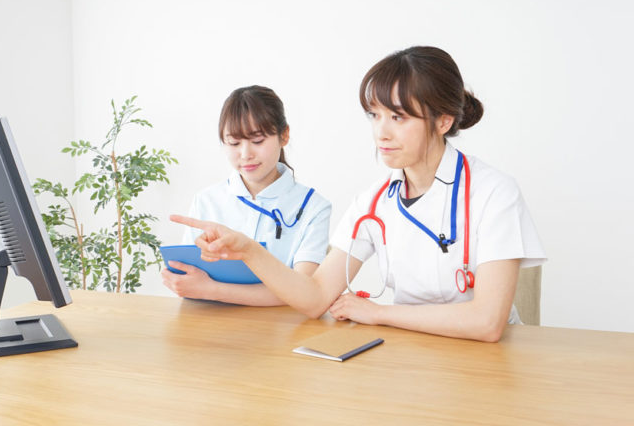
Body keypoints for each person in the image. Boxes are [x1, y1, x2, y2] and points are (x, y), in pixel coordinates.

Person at [172, 47, 546, 342]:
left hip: (489, 363)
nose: (381, 133)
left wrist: (380, 313)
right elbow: (315, 297)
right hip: (411, 352)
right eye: (374, 115)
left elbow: (487, 322)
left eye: (397, 118)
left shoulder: (494, 192)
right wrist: (249, 251)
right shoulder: (374, 201)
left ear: (443, 121)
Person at [162, 85, 331, 305]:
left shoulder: (313, 208)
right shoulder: (206, 201)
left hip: (281, 330)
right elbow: (188, 278)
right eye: (234, 143)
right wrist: (178, 280)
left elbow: (303, 292)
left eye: (258, 141)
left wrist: (211, 290)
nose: (245, 154)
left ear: (284, 135)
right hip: (207, 325)